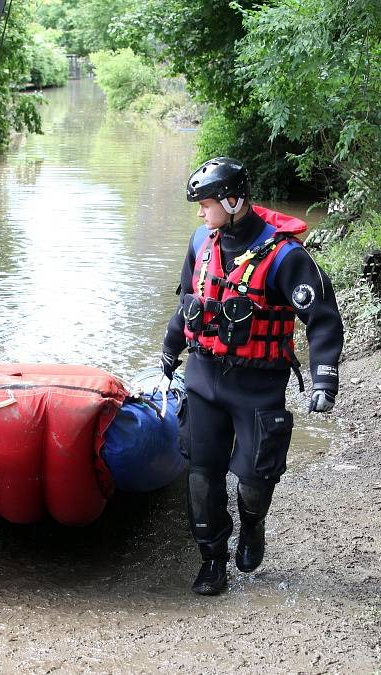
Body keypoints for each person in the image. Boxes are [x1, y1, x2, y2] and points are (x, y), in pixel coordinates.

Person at [161, 157, 343, 596]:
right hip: (204, 376)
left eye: (206, 204)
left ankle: (252, 526)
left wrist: (324, 379)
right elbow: (189, 302)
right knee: (202, 477)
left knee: (255, 479)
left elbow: (322, 319)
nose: (201, 213)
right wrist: (169, 351)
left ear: (233, 200)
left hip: (258, 384)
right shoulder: (200, 244)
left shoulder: (285, 257)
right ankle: (212, 561)